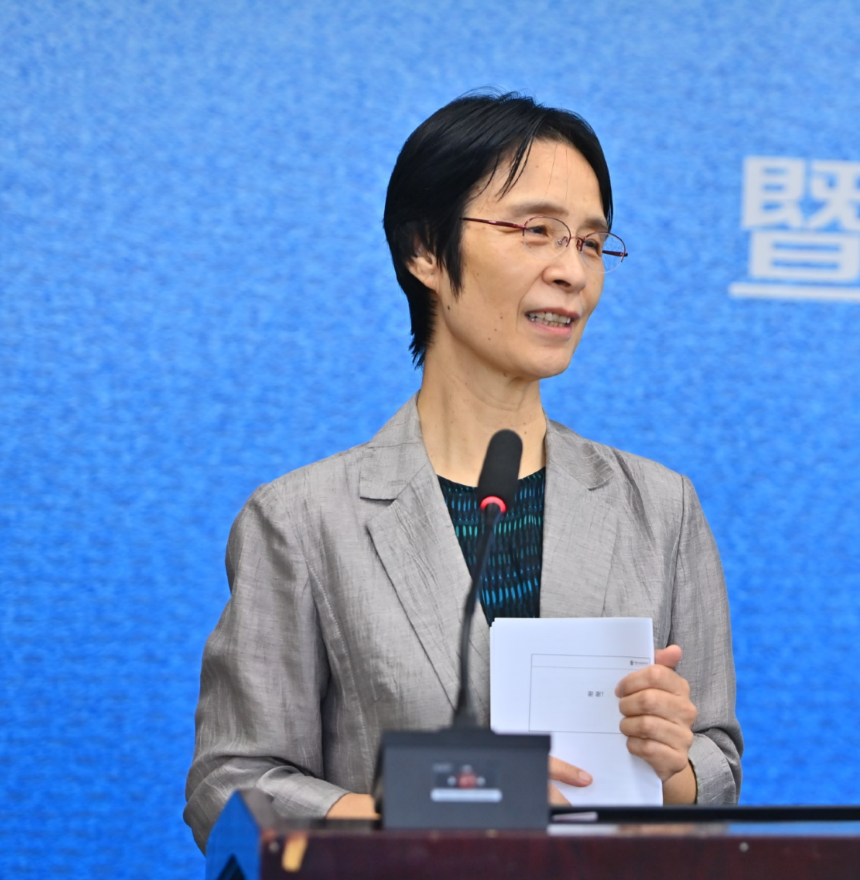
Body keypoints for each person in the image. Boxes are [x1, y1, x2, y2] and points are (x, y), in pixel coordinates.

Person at [183, 93, 742, 852]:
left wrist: (671, 766)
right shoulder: (304, 520)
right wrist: (410, 811)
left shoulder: (660, 506)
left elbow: (716, 760)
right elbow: (229, 784)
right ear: (424, 250)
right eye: (535, 231)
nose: (571, 272)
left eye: (589, 242)